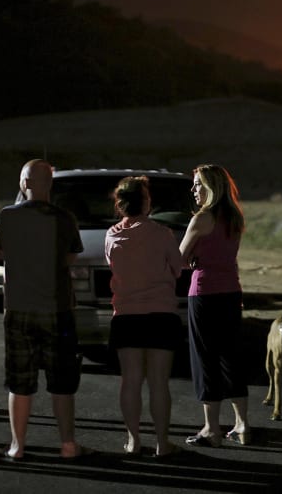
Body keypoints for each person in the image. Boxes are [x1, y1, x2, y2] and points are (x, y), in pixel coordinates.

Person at [0, 158, 90, 461]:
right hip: (57, 307)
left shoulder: (7, 217)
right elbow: (70, 258)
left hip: (18, 308)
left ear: (24, 183)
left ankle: (17, 445)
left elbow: (0, 253)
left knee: (20, 381)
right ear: (50, 184)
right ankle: (68, 445)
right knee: (62, 382)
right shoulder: (64, 218)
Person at [104, 176, 182, 457]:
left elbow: (111, 265)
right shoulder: (162, 234)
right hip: (161, 313)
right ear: (146, 201)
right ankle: (162, 443)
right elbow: (177, 268)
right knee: (159, 382)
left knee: (131, 380)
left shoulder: (112, 234)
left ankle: (133, 439)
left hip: (126, 314)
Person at [179, 164, 250, 448]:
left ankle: (211, 428)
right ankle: (242, 425)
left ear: (210, 187)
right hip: (231, 292)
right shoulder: (234, 217)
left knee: (205, 358)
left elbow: (180, 257)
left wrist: (193, 259)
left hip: (204, 293)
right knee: (231, 357)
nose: (193, 190)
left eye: (197, 184)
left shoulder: (202, 219)